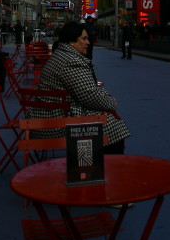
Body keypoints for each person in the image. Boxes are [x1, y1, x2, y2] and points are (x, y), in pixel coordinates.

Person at [34, 22, 131, 153]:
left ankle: (99, 164)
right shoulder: (71, 61)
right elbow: (89, 96)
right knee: (111, 126)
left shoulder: (61, 55)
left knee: (107, 122)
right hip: (57, 122)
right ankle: (107, 167)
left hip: (50, 115)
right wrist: (111, 102)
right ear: (72, 41)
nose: (88, 43)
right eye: (84, 39)